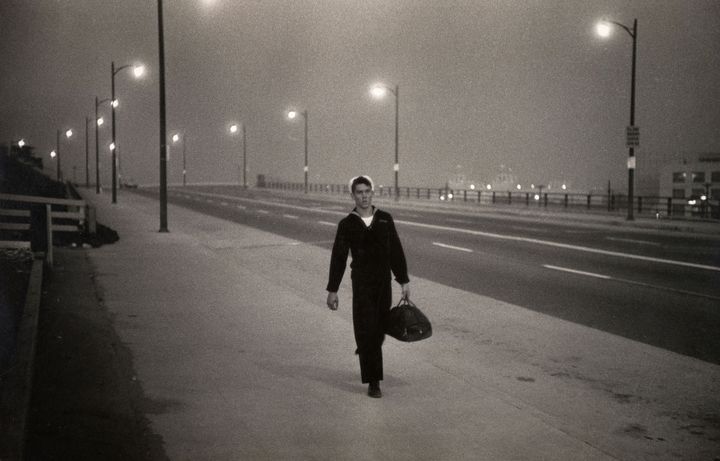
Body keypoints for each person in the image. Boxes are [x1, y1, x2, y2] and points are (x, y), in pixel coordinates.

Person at [326, 175, 410, 398]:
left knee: (379, 328)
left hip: (383, 283)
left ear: (373, 193)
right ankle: (374, 382)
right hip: (362, 283)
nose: (363, 196)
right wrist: (332, 290)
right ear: (352, 196)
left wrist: (403, 280)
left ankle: (365, 345)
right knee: (369, 330)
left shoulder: (384, 219)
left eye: (367, 191)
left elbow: (396, 251)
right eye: (359, 192)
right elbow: (339, 258)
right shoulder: (347, 224)